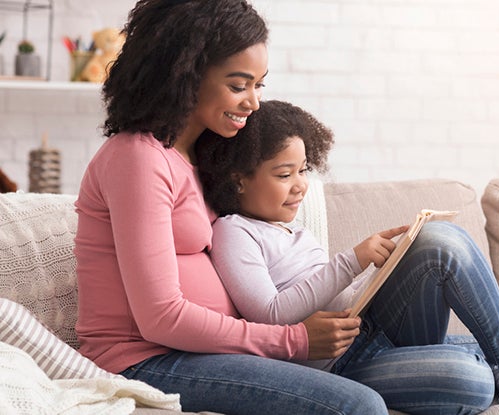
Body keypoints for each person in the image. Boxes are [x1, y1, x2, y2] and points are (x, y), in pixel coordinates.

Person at [196, 99, 499, 414]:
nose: (301, 186)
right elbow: (269, 314)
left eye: (304, 170)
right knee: (468, 382)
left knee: (439, 239)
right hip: (333, 368)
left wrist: (375, 278)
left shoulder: (294, 228)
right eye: (284, 175)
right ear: (238, 180)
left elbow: (327, 298)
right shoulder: (234, 231)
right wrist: (350, 263)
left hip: (371, 329)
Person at [73, 1, 390, 414]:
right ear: (185, 76)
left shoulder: (201, 155)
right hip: (144, 360)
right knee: (358, 406)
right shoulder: (137, 157)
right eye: (239, 85)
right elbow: (161, 317)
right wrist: (291, 340)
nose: (254, 102)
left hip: (199, 352)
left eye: (259, 85)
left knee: (449, 373)